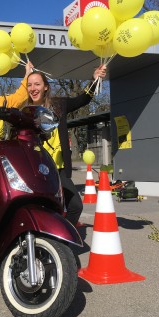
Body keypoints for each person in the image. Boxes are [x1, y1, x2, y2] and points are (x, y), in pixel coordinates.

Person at [26, 64, 107, 226]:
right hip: (38, 169)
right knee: (43, 209)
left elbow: (83, 99)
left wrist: (95, 79)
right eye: (29, 85)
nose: (33, 88)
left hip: (60, 168)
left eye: (37, 84)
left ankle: (60, 241)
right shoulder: (27, 111)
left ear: (46, 87)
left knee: (76, 206)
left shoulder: (58, 105)